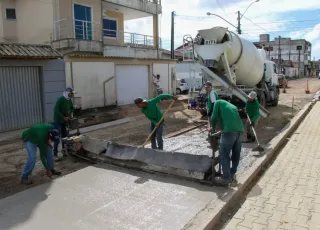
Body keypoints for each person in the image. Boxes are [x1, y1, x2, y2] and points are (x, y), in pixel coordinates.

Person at [209, 99, 244, 186]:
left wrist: (212, 129)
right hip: (240, 130)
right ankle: (232, 174)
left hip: (229, 132)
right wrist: (223, 129)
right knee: (236, 154)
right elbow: (229, 119)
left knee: (224, 154)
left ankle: (225, 178)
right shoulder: (231, 106)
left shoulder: (217, 102)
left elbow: (213, 117)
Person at [53, 87, 75, 160]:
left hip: (64, 121)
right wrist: (63, 117)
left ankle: (64, 150)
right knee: (57, 137)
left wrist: (72, 110)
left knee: (64, 136)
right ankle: (55, 154)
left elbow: (71, 107)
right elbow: (56, 110)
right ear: (67, 93)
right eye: (71, 93)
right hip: (58, 120)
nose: (71, 95)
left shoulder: (69, 100)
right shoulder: (60, 99)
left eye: (72, 94)